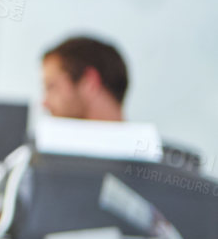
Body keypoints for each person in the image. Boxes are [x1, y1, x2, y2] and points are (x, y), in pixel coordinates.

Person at [39, 35, 200, 169]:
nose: (44, 103)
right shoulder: (32, 164)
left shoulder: (177, 168)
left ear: (89, 82)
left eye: (52, 87)